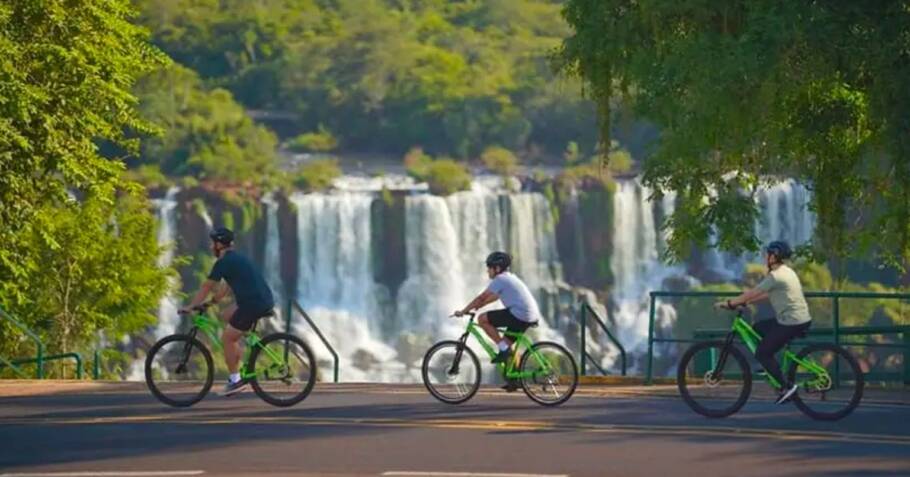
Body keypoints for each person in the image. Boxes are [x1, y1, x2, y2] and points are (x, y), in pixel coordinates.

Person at [181, 227, 275, 396]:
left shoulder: (223, 263)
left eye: (213, 244)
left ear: (219, 244)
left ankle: (235, 380)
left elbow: (206, 286)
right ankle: (240, 352)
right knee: (225, 316)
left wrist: (191, 306)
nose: (211, 247)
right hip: (260, 300)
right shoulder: (236, 259)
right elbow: (227, 286)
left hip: (252, 304)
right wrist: (211, 302)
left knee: (227, 338)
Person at [715, 240, 812, 404]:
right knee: (758, 328)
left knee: (762, 353)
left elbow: (753, 292)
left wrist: (731, 303)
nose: (764, 256)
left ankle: (785, 387)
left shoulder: (775, 276)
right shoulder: (787, 271)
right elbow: (767, 295)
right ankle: (769, 367)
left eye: (767, 253)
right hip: (799, 319)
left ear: (774, 256)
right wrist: (748, 302)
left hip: (791, 322)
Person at [456, 251, 543, 391]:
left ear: (497, 268)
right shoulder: (509, 278)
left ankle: (504, 351)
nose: (487, 271)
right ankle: (515, 380)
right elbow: (493, 298)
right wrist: (478, 306)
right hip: (527, 315)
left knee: (482, 319)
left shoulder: (500, 279)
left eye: (489, 267)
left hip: (519, 315)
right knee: (508, 345)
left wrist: (464, 311)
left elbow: (481, 297)